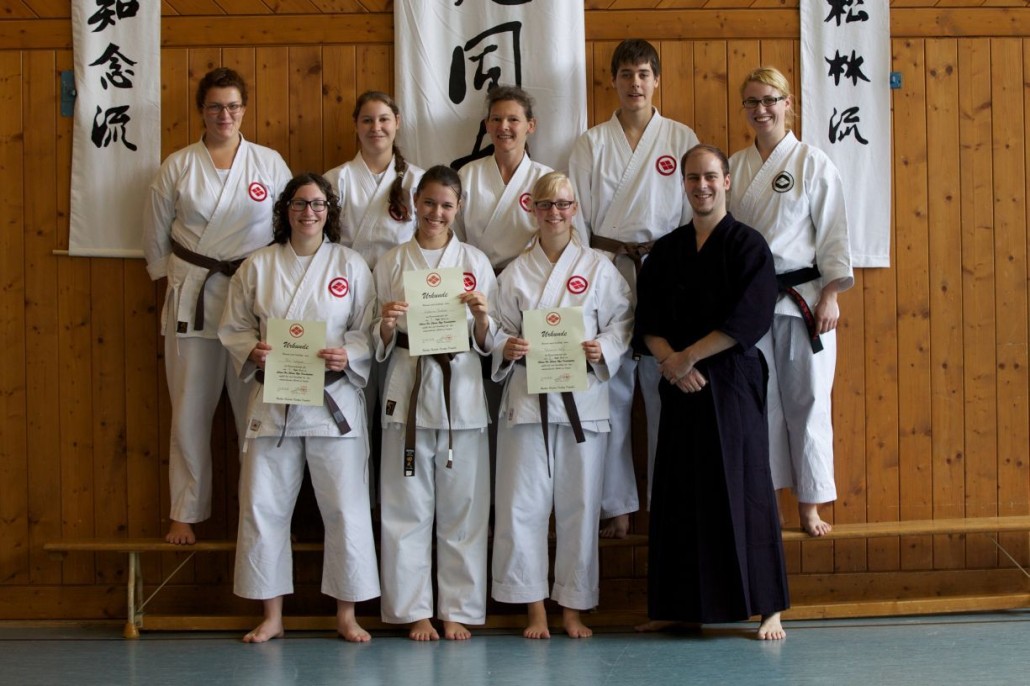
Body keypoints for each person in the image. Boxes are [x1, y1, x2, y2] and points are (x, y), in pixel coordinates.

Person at [635, 144, 788, 640]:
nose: (701, 186)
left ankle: (768, 607)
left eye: (710, 177)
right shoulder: (666, 250)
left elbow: (751, 316)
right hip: (679, 382)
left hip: (731, 376)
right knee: (679, 490)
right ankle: (677, 606)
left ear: (726, 181)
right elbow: (647, 321)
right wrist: (671, 362)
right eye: (692, 178)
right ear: (683, 184)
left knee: (745, 484)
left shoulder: (748, 245)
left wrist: (689, 357)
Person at [218, 173, 379, 643]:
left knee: (346, 508)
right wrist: (251, 350)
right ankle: (272, 614)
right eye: (300, 204)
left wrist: (349, 353)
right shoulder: (258, 266)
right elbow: (234, 326)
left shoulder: (350, 265)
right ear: (285, 210)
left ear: (329, 212)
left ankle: (347, 614)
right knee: (263, 505)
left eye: (318, 204)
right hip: (275, 400)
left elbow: (366, 327)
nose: (309, 212)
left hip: (333, 402)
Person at [143, 67, 292, 545]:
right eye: (214, 107)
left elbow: (290, 229)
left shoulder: (269, 163)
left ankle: (260, 511)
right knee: (189, 411)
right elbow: (155, 239)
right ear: (201, 111)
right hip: (195, 299)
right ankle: (184, 512)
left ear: (243, 109)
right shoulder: (178, 167)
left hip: (253, 303)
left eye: (232, 106)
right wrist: (174, 277)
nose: (224, 115)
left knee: (257, 414)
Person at [491, 172, 632, 639]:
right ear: (532, 209)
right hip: (527, 404)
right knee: (521, 506)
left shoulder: (599, 268)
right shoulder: (515, 271)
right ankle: (533, 606)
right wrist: (506, 346)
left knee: (580, 506)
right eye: (546, 205)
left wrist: (602, 347)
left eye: (564, 205)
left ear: (575, 209)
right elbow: (495, 328)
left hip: (582, 404)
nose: (555, 213)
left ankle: (572, 606)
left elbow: (623, 321)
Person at [568, 38, 700, 538]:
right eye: (626, 74)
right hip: (607, 271)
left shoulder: (680, 137)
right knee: (611, 392)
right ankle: (617, 507)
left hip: (666, 271)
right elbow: (576, 217)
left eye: (644, 74)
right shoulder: (591, 143)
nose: (635, 83)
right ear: (613, 80)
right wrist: (585, 281)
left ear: (656, 80)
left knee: (666, 390)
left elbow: (695, 213)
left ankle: (668, 505)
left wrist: (685, 276)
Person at [372, 165, 497, 641]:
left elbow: (491, 340)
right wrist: (386, 325)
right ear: (415, 203)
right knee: (405, 508)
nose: (436, 213)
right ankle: (413, 610)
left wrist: (482, 319)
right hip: (407, 387)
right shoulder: (391, 262)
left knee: (464, 509)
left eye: (446, 205)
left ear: (458, 208)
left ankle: (457, 609)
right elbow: (373, 336)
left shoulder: (475, 262)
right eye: (428, 203)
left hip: (460, 390)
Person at [728, 67, 853, 537]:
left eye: (769, 100)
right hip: (751, 301)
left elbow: (834, 232)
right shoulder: (735, 166)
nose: (761, 109)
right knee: (760, 403)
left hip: (803, 299)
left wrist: (832, 294)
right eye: (752, 101)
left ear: (787, 104)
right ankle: (766, 502)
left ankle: (810, 504)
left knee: (810, 399)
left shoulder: (812, 163)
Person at [324, 91, 424, 272]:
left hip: (402, 276)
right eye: (367, 120)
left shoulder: (417, 179)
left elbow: (430, 237)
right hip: (347, 277)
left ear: (397, 122)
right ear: (355, 125)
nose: (376, 127)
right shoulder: (335, 179)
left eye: (384, 119)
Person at [455, 85, 553, 271]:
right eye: (496, 119)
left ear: (531, 125)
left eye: (513, 119)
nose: (503, 126)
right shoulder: (468, 175)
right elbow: (453, 235)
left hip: (527, 278)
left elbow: (557, 237)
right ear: (487, 125)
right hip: (475, 276)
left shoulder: (546, 179)